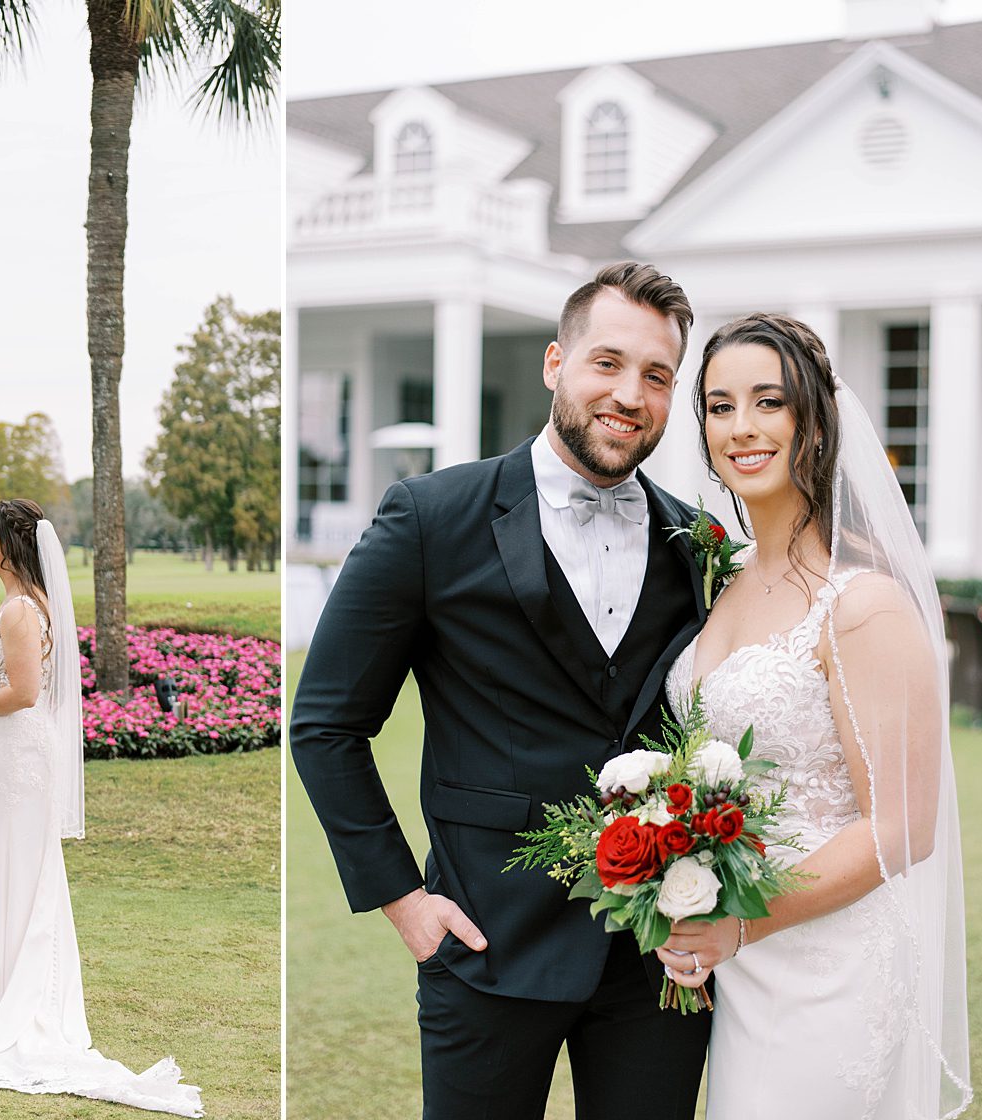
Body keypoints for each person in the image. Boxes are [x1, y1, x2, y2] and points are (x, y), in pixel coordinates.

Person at [290, 262, 711, 1119]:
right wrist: (406, 902)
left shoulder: (694, 541)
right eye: (608, 363)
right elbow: (325, 724)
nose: (630, 394)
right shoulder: (430, 517)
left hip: (657, 957)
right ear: (556, 363)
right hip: (485, 944)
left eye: (657, 376)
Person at [657, 313, 973, 1118]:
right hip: (744, 970)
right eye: (720, 406)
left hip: (829, 967)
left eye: (770, 402)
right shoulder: (725, 584)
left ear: (816, 422)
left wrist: (741, 926)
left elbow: (903, 827)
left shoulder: (861, 603)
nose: (742, 427)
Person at [0, 498, 202, 1117]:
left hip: (20, 759)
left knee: (22, 866)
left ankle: (20, 998)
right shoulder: (22, 604)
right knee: (9, 862)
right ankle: (0, 987)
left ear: (13, 545)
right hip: (11, 758)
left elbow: (21, 692)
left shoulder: (20, 609)